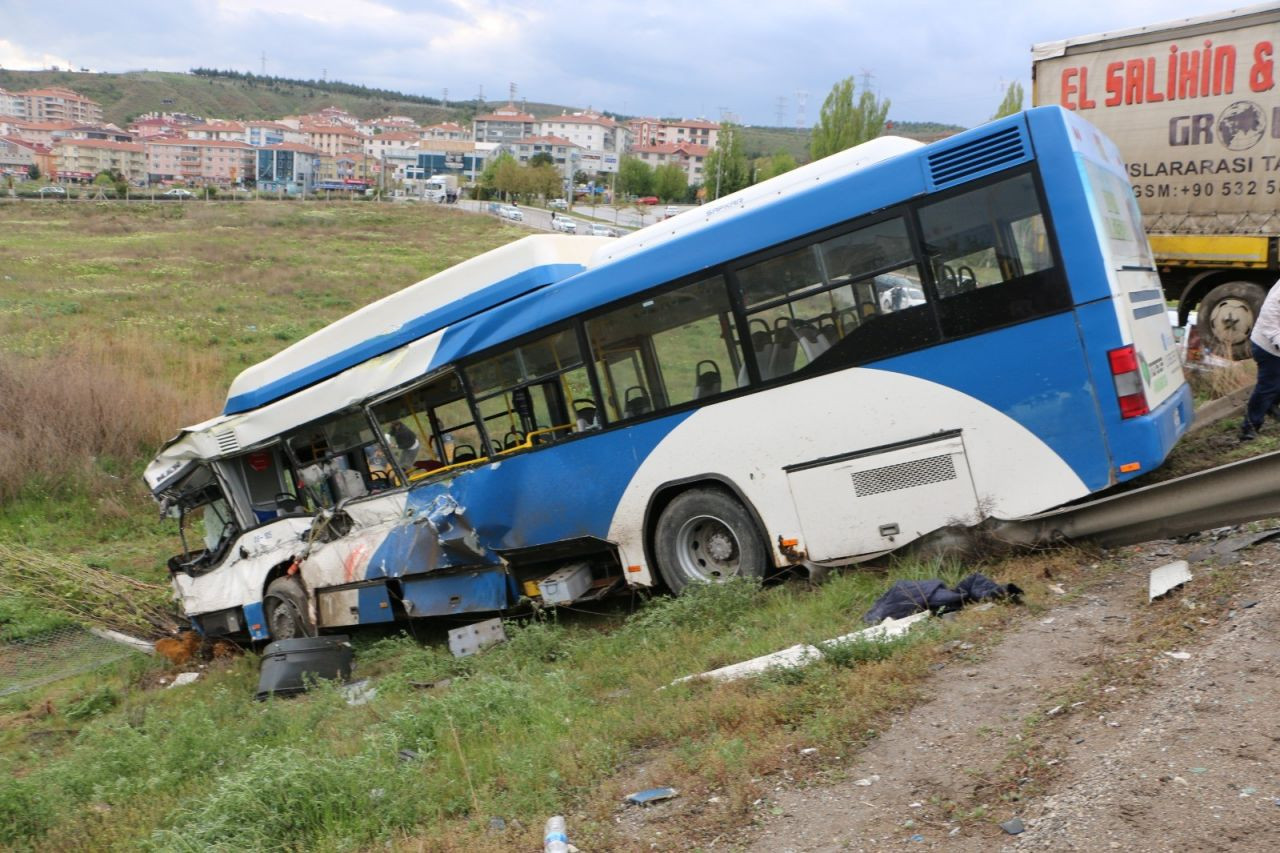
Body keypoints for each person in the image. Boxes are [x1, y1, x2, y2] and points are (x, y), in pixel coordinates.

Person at [1240, 281, 1280, 440]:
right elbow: (1269, 318)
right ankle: (1249, 427)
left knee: (1273, 386)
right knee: (1267, 387)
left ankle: (1270, 404)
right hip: (1268, 346)